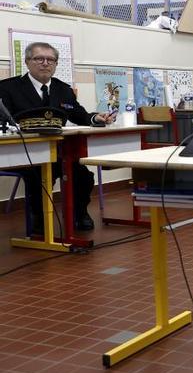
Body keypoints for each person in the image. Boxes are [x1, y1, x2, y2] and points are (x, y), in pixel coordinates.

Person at [0, 42, 116, 233]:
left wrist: (97, 117)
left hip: (59, 153)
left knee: (84, 176)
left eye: (50, 60)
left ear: (55, 64)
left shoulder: (63, 90)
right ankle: (39, 218)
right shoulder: (8, 88)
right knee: (38, 177)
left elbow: (80, 115)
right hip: (26, 154)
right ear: (28, 62)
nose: (45, 63)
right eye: (39, 59)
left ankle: (79, 214)